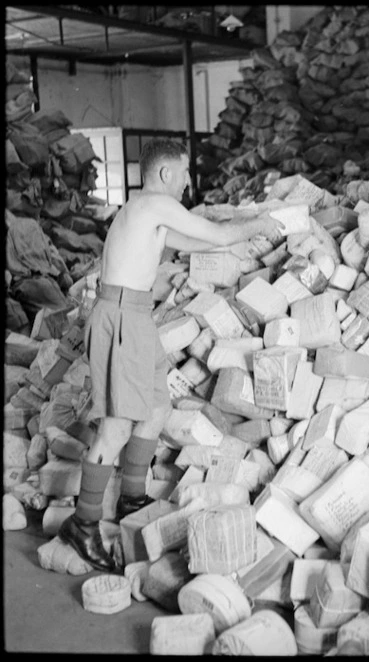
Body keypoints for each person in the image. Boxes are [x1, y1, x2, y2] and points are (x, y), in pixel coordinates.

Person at [58, 138, 284, 571]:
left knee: (157, 408)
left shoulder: (148, 214)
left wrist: (239, 225)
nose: (186, 181)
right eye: (183, 173)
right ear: (164, 173)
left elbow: (196, 243)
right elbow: (216, 233)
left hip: (136, 316)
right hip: (121, 317)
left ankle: (130, 497)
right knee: (116, 428)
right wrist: (259, 223)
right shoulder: (152, 206)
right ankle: (82, 524)